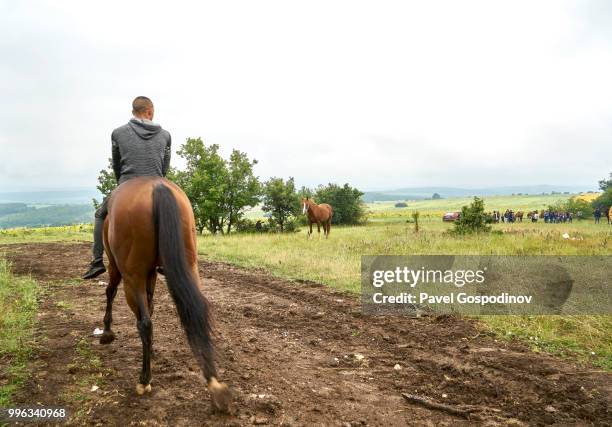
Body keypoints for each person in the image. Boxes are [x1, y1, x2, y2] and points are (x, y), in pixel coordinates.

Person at [82, 96, 172, 279]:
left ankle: (97, 261)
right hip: (156, 182)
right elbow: (165, 167)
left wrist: (121, 184)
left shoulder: (118, 133)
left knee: (100, 215)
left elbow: (116, 164)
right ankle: (165, 258)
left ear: (133, 112)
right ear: (150, 111)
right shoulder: (165, 135)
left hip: (127, 181)